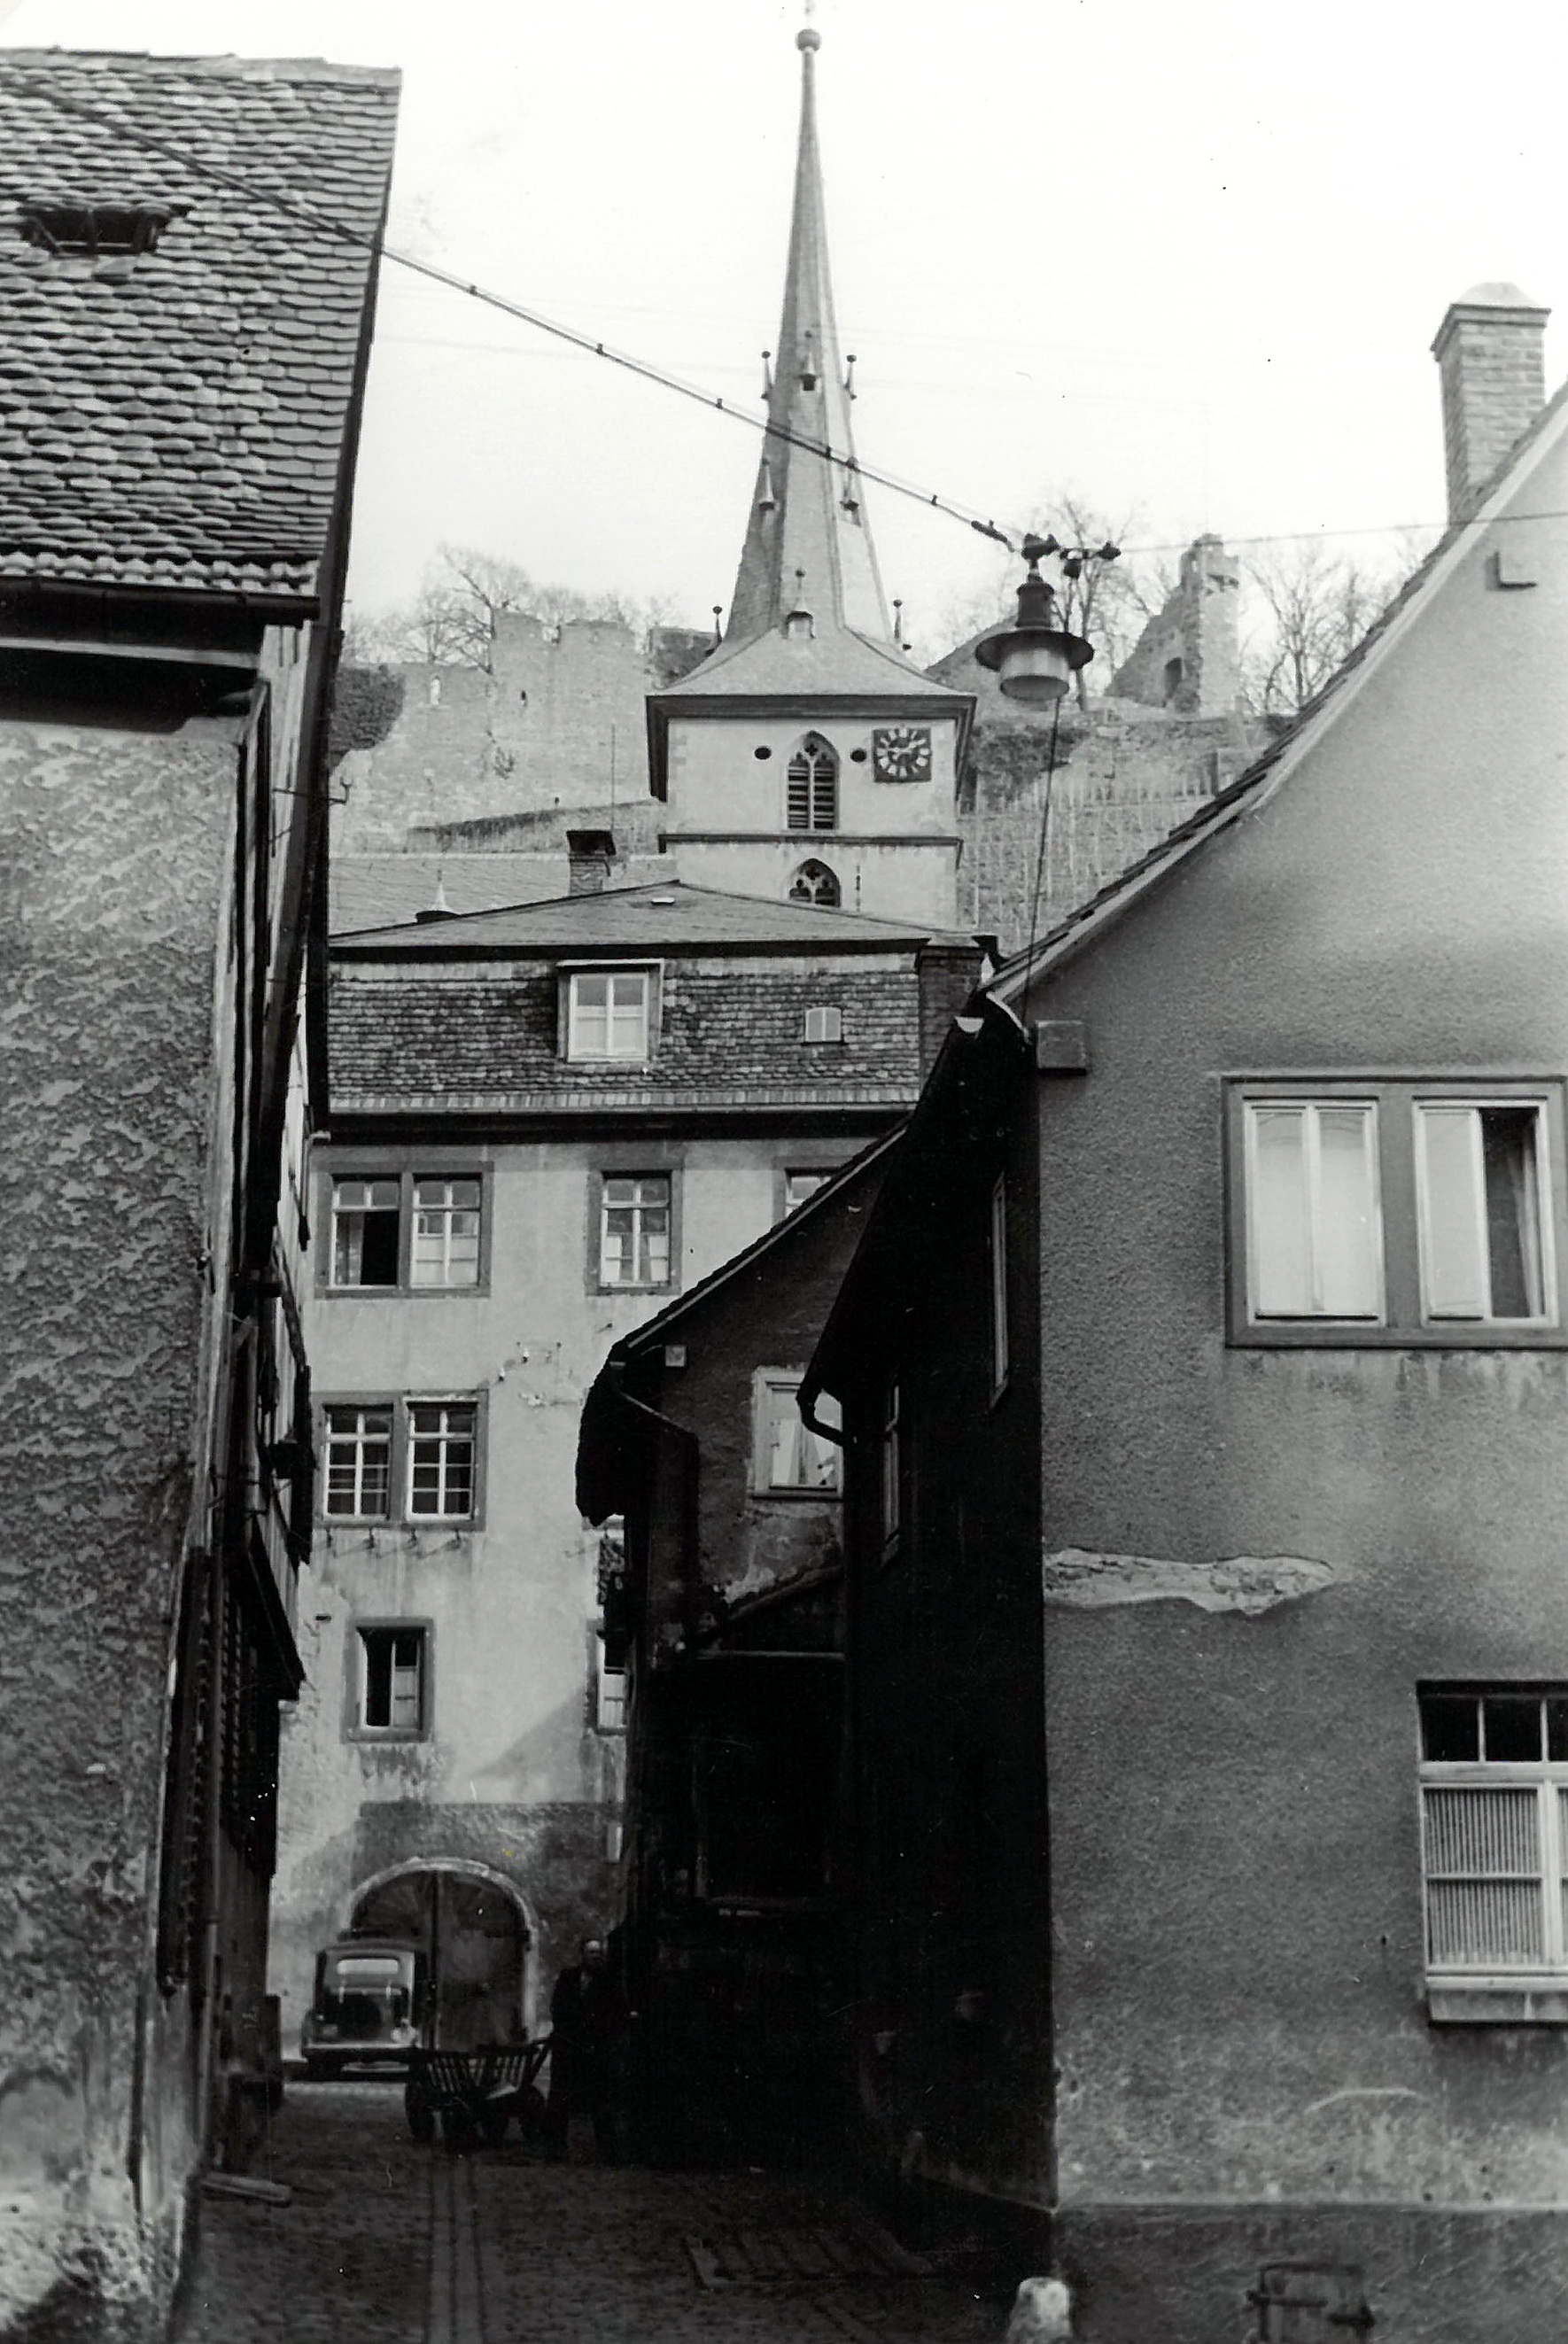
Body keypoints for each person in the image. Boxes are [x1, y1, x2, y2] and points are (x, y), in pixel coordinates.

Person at [544, 1938, 625, 2160]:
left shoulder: (610, 1982)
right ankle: (555, 2147)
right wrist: (568, 2033)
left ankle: (607, 2151)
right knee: (560, 2099)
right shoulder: (568, 1978)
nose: (595, 1957)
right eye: (591, 1953)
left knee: (601, 2101)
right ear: (582, 1955)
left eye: (599, 1953)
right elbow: (558, 2008)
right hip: (569, 2047)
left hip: (595, 2049)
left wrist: (600, 2037)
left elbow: (614, 2013)